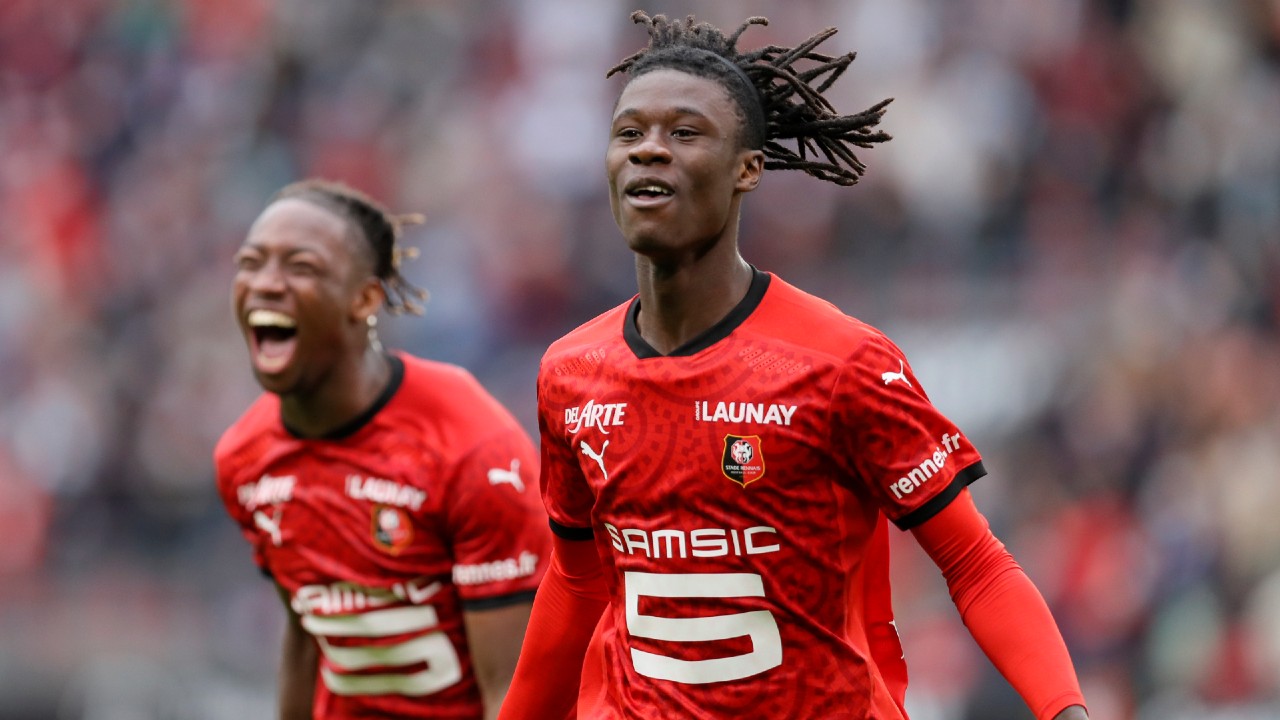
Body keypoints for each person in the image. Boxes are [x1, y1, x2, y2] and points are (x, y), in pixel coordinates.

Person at [499, 12, 1088, 720]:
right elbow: (576, 582)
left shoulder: (841, 362)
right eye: (629, 133)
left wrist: (1065, 711)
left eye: (684, 133)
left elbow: (975, 563)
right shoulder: (572, 372)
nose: (648, 151)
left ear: (749, 168)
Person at [214, 179, 550, 720]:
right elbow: (308, 636)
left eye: (300, 267)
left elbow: (513, 689)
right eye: (250, 263)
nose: (265, 284)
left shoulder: (470, 448)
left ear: (365, 298)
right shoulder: (244, 458)